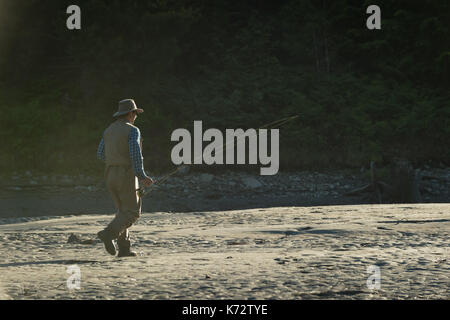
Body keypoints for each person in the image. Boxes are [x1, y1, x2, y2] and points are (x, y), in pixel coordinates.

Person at [96, 99, 154, 257]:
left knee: (121, 211)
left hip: (109, 174)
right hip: (125, 174)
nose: (136, 116)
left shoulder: (108, 130)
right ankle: (108, 234)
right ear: (130, 113)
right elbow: (136, 156)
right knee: (132, 213)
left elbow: (100, 154)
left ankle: (124, 249)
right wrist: (142, 176)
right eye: (135, 113)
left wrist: (114, 161)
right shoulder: (133, 130)